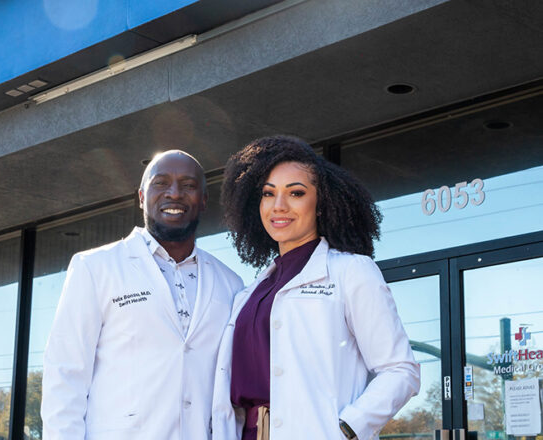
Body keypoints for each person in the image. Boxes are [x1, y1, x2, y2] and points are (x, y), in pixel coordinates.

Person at [211, 136, 420, 440]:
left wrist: (346, 428)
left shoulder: (351, 272)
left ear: (321, 203)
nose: (279, 206)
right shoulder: (249, 294)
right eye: (269, 194)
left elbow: (401, 371)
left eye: (296, 193)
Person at [42, 150, 244, 440]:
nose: (174, 194)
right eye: (161, 183)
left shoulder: (231, 284)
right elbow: (65, 375)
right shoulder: (95, 268)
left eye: (188, 185)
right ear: (141, 196)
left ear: (203, 200)